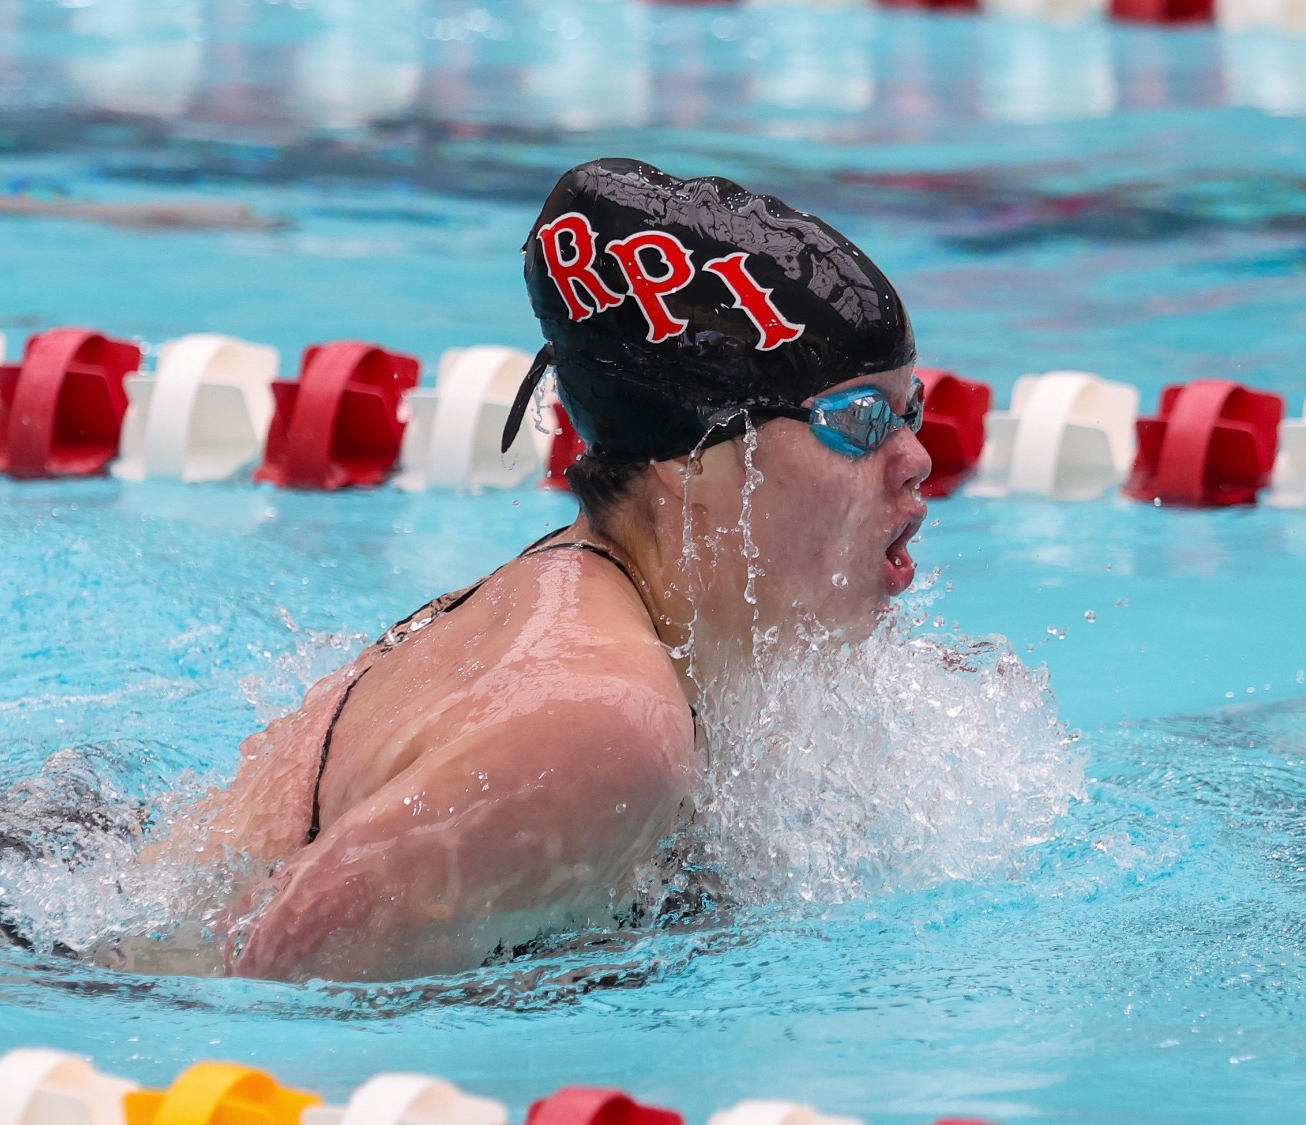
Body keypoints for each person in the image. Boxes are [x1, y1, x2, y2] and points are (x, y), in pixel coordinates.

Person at [196, 158, 933, 983]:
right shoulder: (604, 722)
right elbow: (267, 978)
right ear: (692, 456)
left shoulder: (630, 616)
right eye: (859, 421)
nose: (916, 459)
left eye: (912, 408)